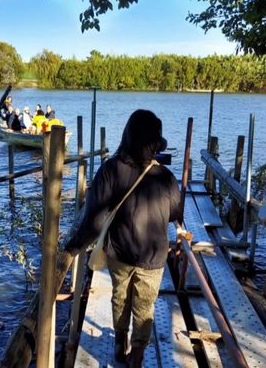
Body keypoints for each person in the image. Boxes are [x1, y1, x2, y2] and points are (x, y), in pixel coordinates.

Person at [64, 109, 186, 367]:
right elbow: (176, 212)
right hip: (153, 256)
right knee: (145, 306)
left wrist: (73, 247)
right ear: (155, 141)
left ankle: (120, 344)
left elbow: (94, 221)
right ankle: (138, 355)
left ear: (127, 135)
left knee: (120, 296)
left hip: (120, 252)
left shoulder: (110, 170)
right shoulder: (165, 176)